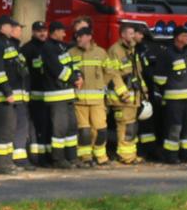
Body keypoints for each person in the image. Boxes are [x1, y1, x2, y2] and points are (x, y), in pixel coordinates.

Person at [0, 15, 26, 174]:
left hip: (9, 96)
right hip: (1, 96)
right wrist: (7, 91)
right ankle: (0, 165)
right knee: (2, 131)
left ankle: (7, 162)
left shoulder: (6, 43)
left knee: (9, 130)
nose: (12, 28)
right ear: (1, 27)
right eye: (9, 26)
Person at [151, 26, 187, 163]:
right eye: (185, 35)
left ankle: (185, 152)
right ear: (178, 37)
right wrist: (163, 93)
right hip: (173, 100)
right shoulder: (167, 54)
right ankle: (171, 154)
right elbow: (159, 78)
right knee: (174, 127)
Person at [69, 20, 111, 166]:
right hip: (79, 100)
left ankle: (101, 156)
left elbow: (110, 71)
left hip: (97, 100)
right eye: (77, 37)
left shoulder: (101, 53)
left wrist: (101, 85)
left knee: (101, 130)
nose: (78, 39)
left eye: (80, 37)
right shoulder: (71, 53)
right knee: (84, 132)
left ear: (88, 37)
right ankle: (85, 157)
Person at [105, 23, 147, 164]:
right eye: (130, 33)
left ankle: (131, 154)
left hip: (134, 96)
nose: (133, 36)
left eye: (134, 33)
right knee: (125, 127)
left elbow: (137, 72)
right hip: (122, 98)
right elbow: (113, 74)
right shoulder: (114, 50)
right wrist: (123, 93)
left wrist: (144, 91)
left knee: (132, 127)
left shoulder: (132, 50)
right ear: (123, 35)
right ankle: (126, 156)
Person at [42, 22, 81, 169]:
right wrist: (74, 79)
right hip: (56, 94)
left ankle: (72, 157)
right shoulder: (48, 48)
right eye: (62, 32)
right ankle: (58, 159)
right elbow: (57, 69)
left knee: (71, 127)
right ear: (55, 32)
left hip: (68, 93)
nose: (65, 35)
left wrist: (78, 75)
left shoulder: (62, 47)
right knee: (60, 128)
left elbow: (71, 64)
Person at [22, 21, 52, 166]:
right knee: (39, 126)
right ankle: (39, 158)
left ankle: (48, 155)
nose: (42, 33)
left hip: (50, 93)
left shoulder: (50, 47)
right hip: (35, 94)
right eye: (39, 31)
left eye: (44, 30)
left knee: (49, 126)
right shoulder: (27, 49)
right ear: (33, 32)